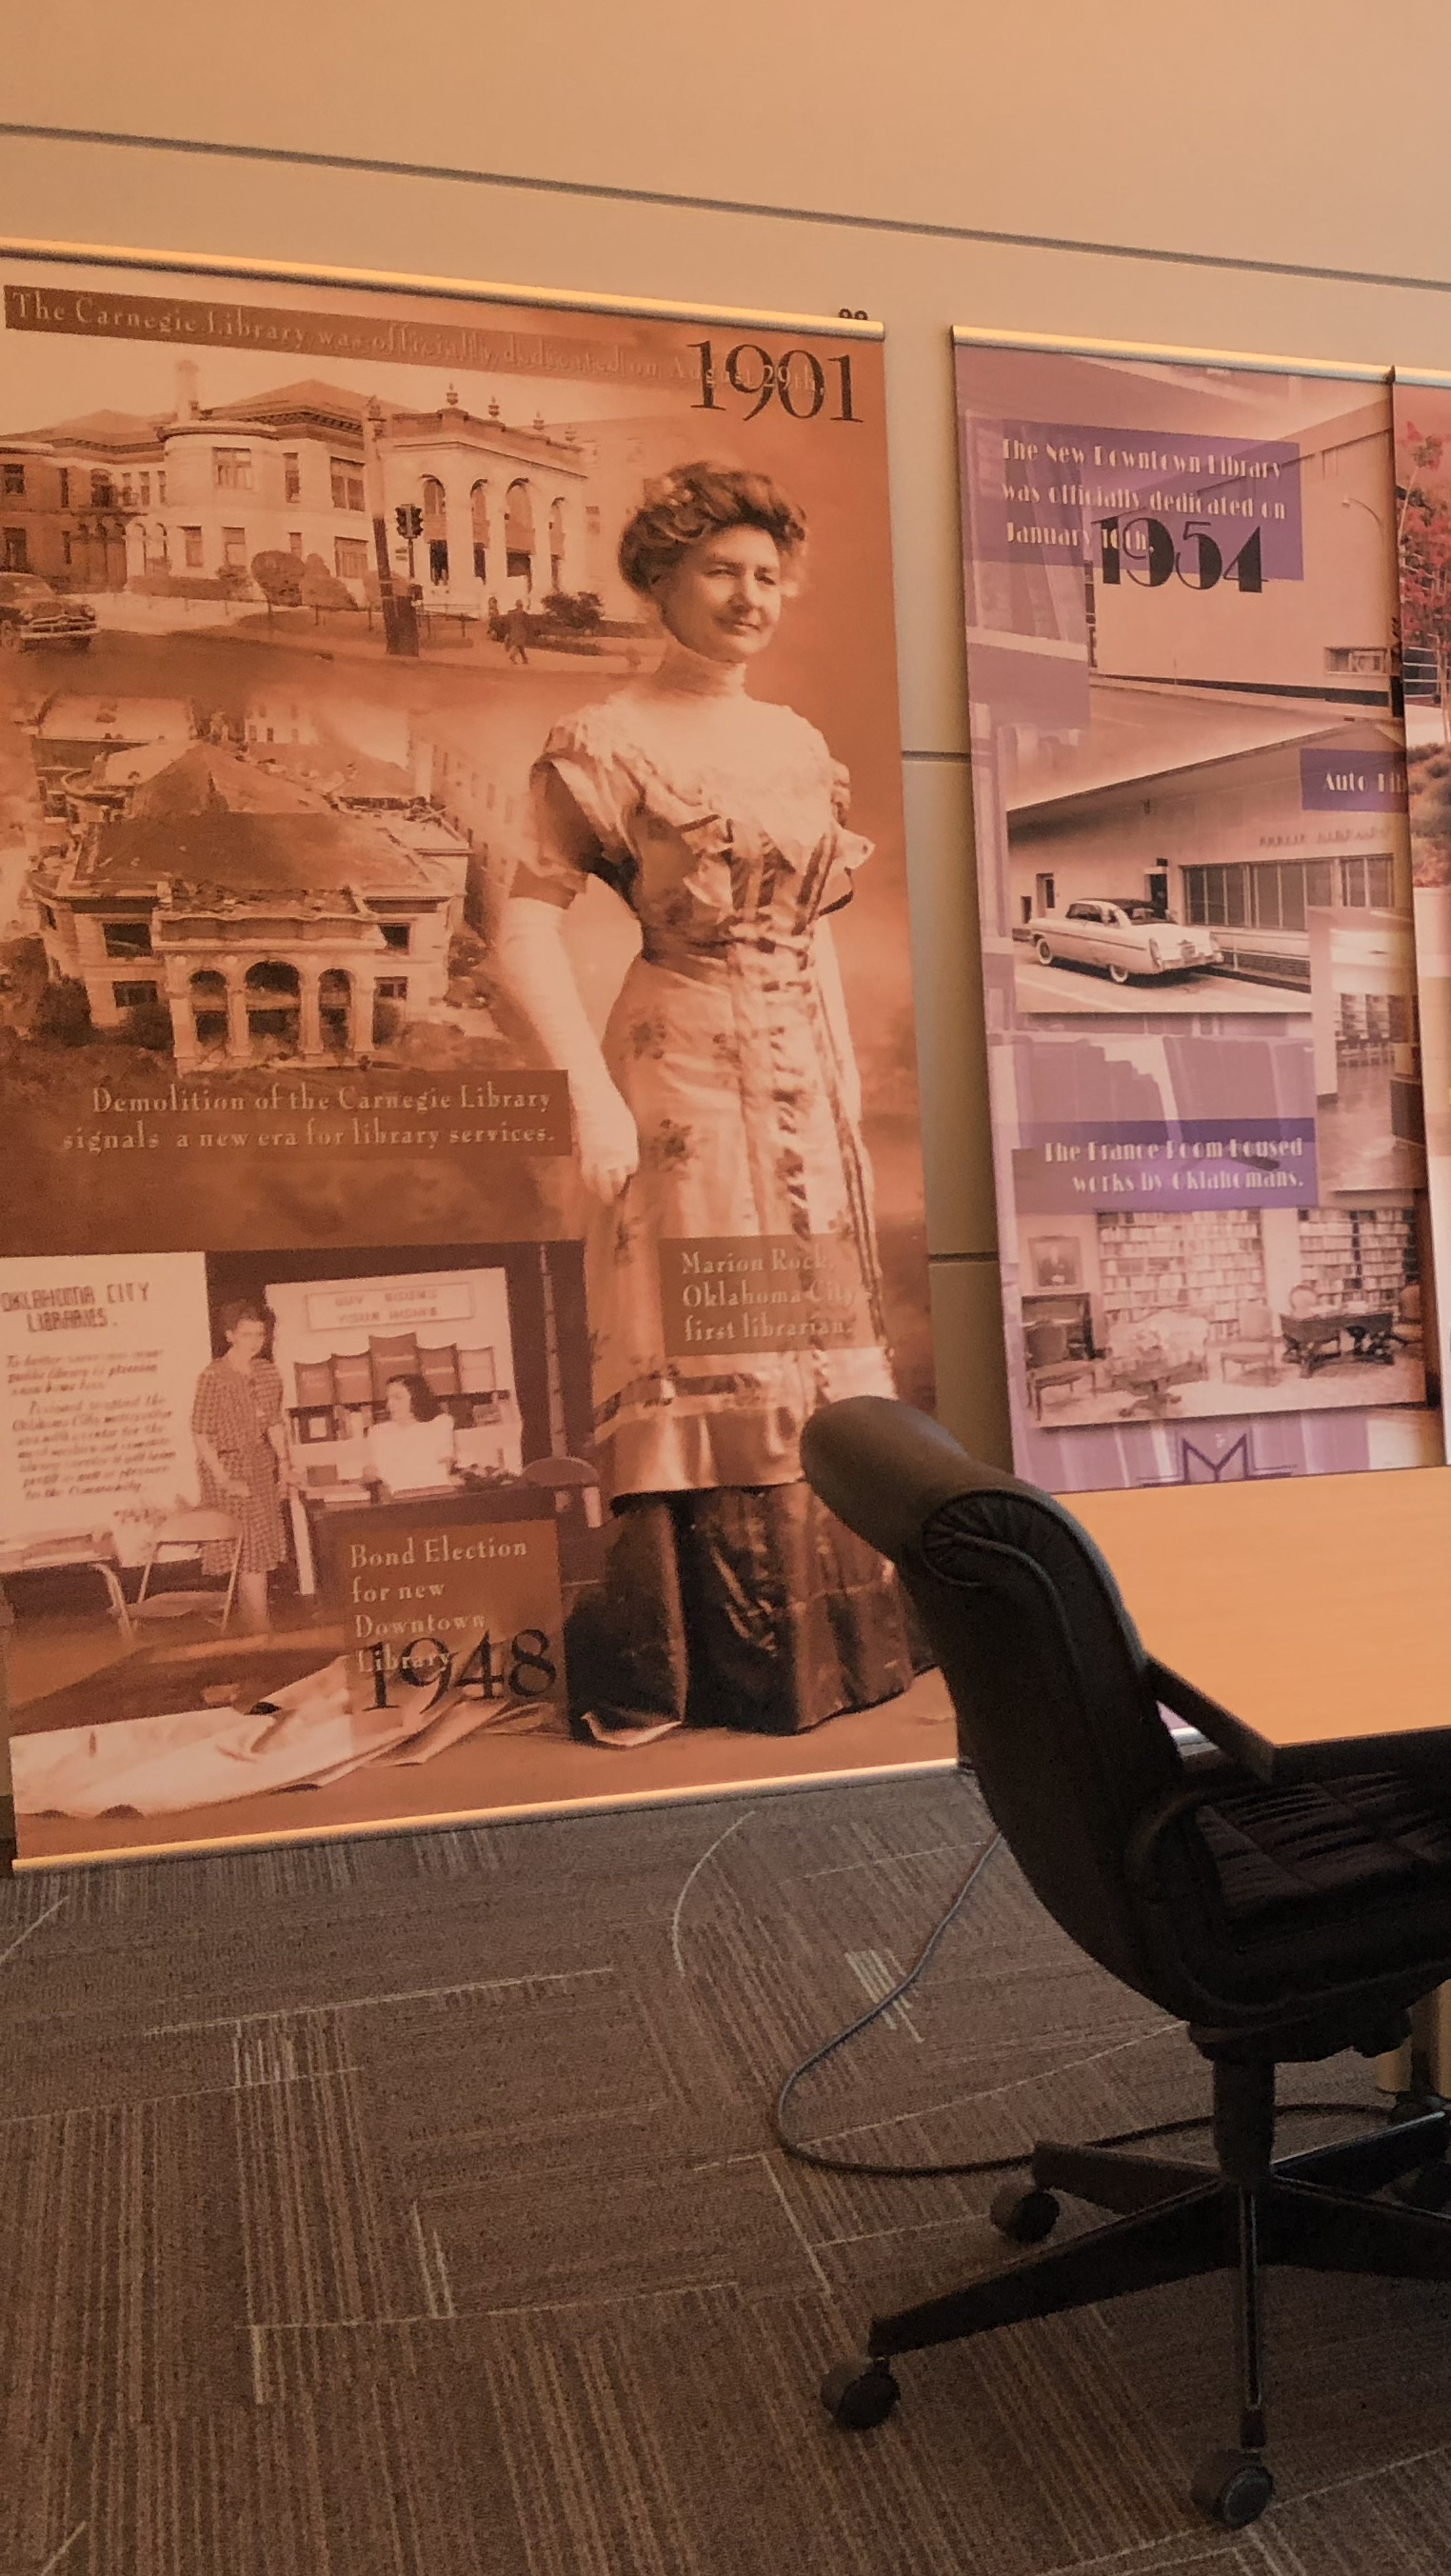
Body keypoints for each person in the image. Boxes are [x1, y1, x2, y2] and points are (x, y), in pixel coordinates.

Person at [492, 461, 919, 1743]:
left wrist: (841, 1068)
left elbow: (816, 934)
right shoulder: (604, 741)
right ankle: (699, 1659)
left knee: (813, 1337)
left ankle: (838, 1644)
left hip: (795, 1062)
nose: (752, 596)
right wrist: (589, 1098)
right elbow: (519, 928)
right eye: (723, 572)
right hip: (678, 1061)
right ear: (662, 581)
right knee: (700, 1338)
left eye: (769, 575)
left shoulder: (793, 745)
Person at [188, 1300, 290, 1632]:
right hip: (226, 1468)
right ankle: (263, 1631)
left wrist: (284, 1466)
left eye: (260, 1334)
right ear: (230, 1335)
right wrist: (224, 1479)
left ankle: (255, 1631)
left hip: (260, 1466)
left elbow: (274, 1423)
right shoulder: (213, 1376)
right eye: (247, 1334)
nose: (255, 1341)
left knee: (256, 1554)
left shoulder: (268, 1372)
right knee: (247, 1550)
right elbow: (201, 1435)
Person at [362, 1373, 460, 1499]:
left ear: (416, 1398)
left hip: (435, 1498)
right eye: (388, 1399)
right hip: (395, 1504)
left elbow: (441, 1471)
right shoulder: (378, 1432)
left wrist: (391, 1473)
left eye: (398, 1398)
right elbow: (373, 1476)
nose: (389, 1405)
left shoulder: (441, 1424)